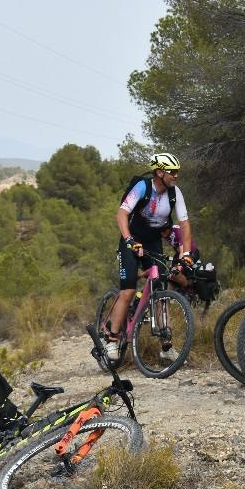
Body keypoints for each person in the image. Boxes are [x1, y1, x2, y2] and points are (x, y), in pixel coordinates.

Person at [105, 152, 192, 362]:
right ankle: (112, 339)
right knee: (128, 290)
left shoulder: (174, 193)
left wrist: (186, 254)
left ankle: (166, 345)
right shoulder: (143, 187)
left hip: (152, 241)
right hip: (131, 239)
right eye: (172, 172)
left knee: (161, 291)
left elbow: (185, 224)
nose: (176, 176)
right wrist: (128, 240)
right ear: (159, 172)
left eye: (177, 172)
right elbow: (122, 214)